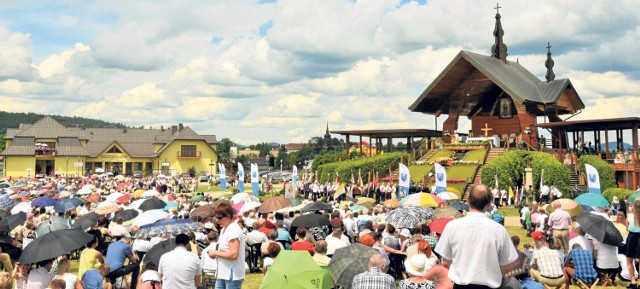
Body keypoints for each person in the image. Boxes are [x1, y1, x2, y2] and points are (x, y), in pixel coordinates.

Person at [435, 184, 518, 289]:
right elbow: (505, 267)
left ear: (468, 200)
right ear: (489, 204)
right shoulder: (499, 230)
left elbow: (446, 262)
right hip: (488, 285)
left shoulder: (452, 226)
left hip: (461, 285)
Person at [207, 200, 246, 289]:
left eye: (219, 218)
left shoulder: (233, 230)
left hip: (232, 274)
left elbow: (233, 254)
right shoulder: (225, 229)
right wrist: (215, 254)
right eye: (216, 217)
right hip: (223, 272)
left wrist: (215, 253)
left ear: (228, 216)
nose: (217, 220)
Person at [623, 200, 640, 289]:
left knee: (629, 261)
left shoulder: (629, 216)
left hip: (632, 237)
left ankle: (633, 282)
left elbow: (626, 228)